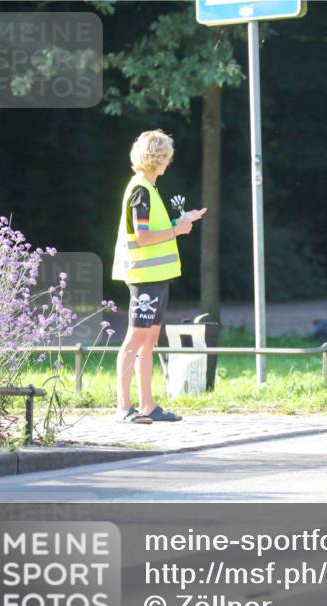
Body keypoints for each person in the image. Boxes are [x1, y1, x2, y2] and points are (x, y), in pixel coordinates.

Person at [112, 130, 206, 424]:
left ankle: (147, 406)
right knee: (135, 339)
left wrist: (180, 220)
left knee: (149, 341)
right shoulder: (140, 190)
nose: (168, 162)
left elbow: (153, 231)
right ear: (158, 159)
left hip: (156, 277)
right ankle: (123, 408)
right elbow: (142, 237)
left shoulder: (148, 190)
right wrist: (177, 230)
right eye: (166, 157)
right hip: (144, 278)